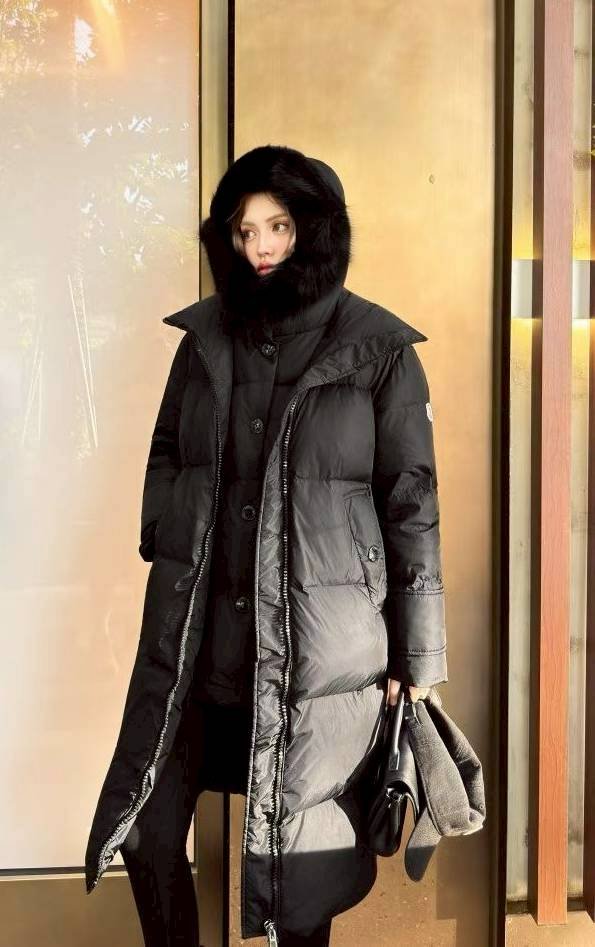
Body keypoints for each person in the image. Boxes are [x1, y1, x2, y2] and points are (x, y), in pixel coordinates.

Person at [84, 145, 448, 946]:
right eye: (244, 230)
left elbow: (411, 503)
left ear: (314, 228)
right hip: (200, 641)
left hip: (317, 652)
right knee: (146, 829)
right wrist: (164, 536)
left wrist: (416, 656)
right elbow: (168, 449)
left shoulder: (377, 347)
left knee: (301, 861)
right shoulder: (204, 337)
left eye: (278, 226)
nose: (260, 247)